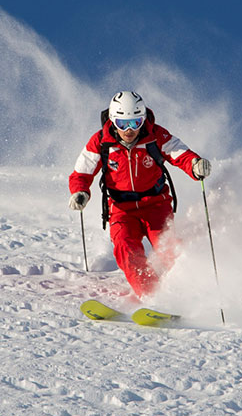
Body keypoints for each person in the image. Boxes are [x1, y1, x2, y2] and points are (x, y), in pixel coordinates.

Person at [68, 91, 211, 299]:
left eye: (135, 123)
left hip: (156, 206)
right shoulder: (101, 142)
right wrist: (80, 192)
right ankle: (152, 296)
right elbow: (82, 171)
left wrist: (195, 165)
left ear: (143, 120)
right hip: (121, 209)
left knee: (170, 250)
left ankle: (188, 294)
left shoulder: (155, 136)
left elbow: (180, 153)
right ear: (112, 120)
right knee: (125, 248)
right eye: (122, 123)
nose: (129, 130)